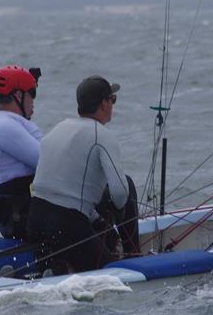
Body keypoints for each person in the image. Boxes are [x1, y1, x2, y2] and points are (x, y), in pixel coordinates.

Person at [27, 75, 140, 273]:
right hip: (66, 224)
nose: (113, 105)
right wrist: (120, 212)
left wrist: (99, 221)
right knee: (109, 274)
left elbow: (63, 188)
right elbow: (121, 194)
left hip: (35, 220)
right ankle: (135, 258)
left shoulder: (59, 128)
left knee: (58, 271)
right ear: (104, 104)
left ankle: (51, 270)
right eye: (112, 100)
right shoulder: (102, 135)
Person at [0, 65, 42, 239]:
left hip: (10, 204)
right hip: (12, 207)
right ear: (18, 95)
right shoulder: (3, 125)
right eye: (32, 93)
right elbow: (47, 161)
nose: (33, 100)